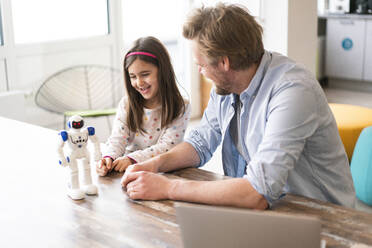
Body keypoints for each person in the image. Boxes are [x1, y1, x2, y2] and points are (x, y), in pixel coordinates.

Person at [120, 3, 356, 209]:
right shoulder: (225, 87)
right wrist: (152, 165)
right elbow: (200, 143)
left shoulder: (293, 91)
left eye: (201, 65)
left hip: (321, 218)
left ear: (224, 63)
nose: (201, 72)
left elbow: (257, 192)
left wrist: (168, 188)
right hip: (270, 211)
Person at [96, 36, 190, 176]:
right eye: (133, 77)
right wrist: (108, 157)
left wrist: (132, 159)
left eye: (145, 74)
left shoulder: (180, 106)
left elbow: (168, 147)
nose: (139, 83)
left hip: (162, 172)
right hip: (128, 170)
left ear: (163, 71)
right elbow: (118, 138)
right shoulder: (127, 104)